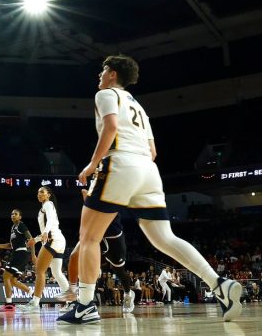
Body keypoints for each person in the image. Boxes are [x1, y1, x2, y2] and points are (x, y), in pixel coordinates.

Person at [58, 55, 242, 325]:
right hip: (148, 170)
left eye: (102, 70)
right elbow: (153, 151)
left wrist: (92, 164)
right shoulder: (139, 107)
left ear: (112, 74)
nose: (99, 75)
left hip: (121, 163)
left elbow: (109, 128)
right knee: (164, 238)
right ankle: (218, 283)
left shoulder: (107, 94)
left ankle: (84, 305)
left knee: (89, 238)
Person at [58, 189, 135, 313]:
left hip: (113, 237)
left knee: (119, 271)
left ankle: (127, 293)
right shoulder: (93, 190)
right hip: (94, 234)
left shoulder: (113, 191)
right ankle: (72, 293)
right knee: (74, 256)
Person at [21, 186, 70, 312]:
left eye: (42, 192)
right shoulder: (46, 206)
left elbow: (50, 221)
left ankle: (35, 302)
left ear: (48, 194)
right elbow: (48, 227)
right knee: (56, 273)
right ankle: (72, 302)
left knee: (39, 270)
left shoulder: (48, 204)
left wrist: (46, 232)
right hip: (59, 240)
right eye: (38, 192)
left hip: (52, 239)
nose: (39, 194)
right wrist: (35, 240)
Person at [0, 209, 33, 307]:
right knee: (12, 280)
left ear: (20, 217)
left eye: (16, 214)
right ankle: (32, 293)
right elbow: (11, 245)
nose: (13, 215)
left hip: (21, 254)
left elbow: (31, 240)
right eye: (12, 214)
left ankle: (9, 304)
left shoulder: (21, 226)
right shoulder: (13, 227)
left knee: (6, 276)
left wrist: (33, 255)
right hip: (17, 254)